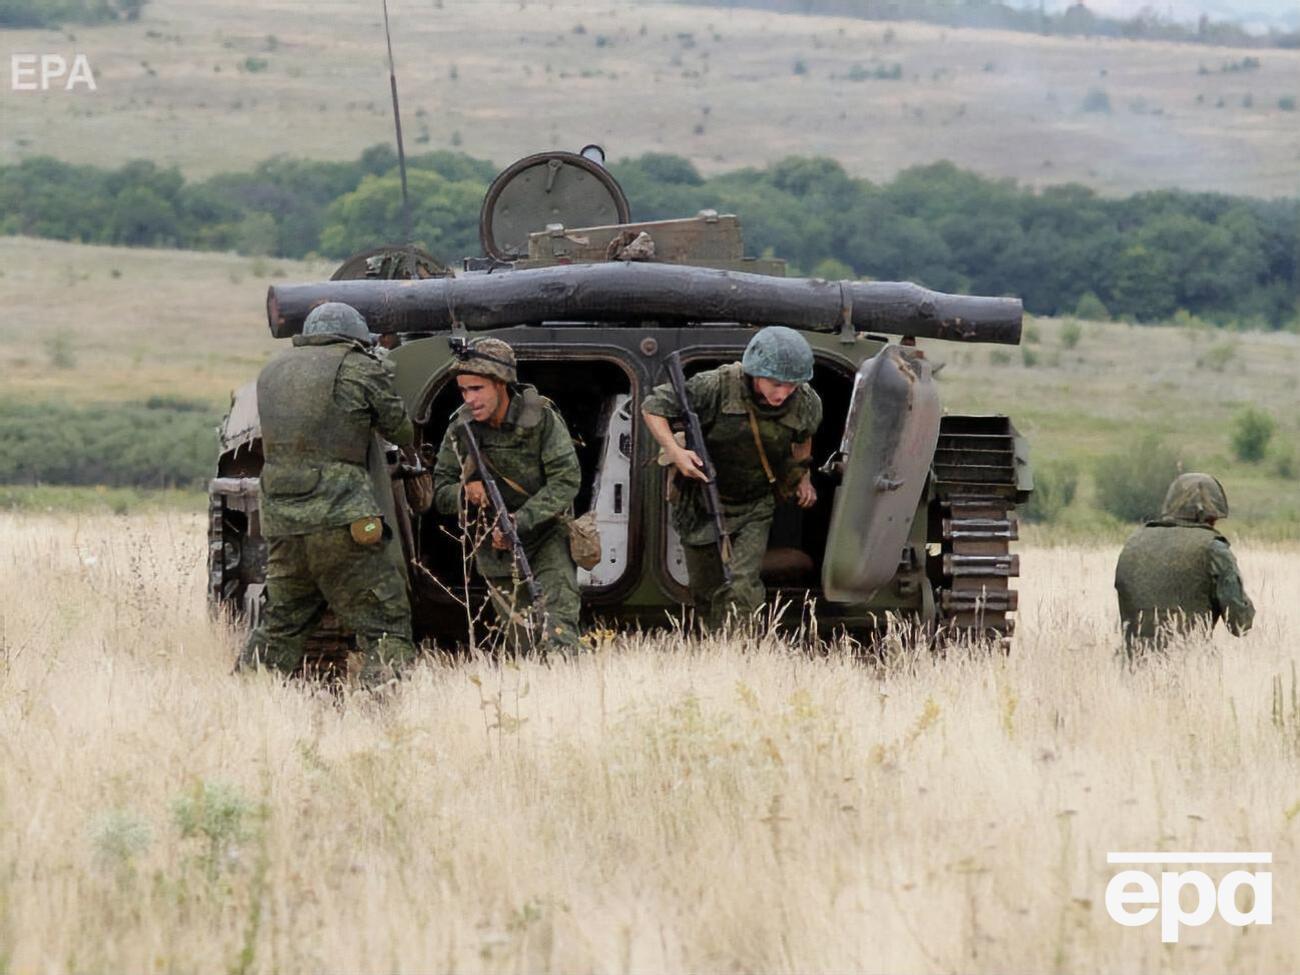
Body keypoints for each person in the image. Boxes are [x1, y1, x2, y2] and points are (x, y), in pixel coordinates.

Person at [238, 302, 418, 686]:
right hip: (343, 518)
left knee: (282, 623)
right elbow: (401, 430)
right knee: (386, 623)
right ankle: (380, 703)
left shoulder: (272, 371)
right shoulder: (360, 367)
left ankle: (244, 698)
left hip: (283, 521)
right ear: (356, 337)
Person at [641, 326, 822, 630]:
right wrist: (676, 452)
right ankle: (715, 645)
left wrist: (803, 476)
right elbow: (652, 408)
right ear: (756, 373)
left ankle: (741, 644)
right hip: (700, 501)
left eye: (791, 385)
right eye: (776, 384)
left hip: (754, 503)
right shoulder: (715, 386)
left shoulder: (805, 401)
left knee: (741, 584)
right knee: (706, 590)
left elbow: (804, 435)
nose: (783, 393)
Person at [431, 337, 583, 653]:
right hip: (496, 550)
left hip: (545, 536)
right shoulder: (460, 428)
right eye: (464, 391)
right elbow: (439, 494)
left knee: (559, 630)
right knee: (524, 645)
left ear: (501, 384)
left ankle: (566, 674)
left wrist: (519, 521)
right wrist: (466, 492)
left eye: (477, 389)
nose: (470, 399)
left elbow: (566, 480)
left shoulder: (540, 418)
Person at [1114, 472, 1255, 655]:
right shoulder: (1213, 548)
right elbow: (1240, 624)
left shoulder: (1135, 542)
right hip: (1190, 661)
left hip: (1131, 660)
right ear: (1213, 515)